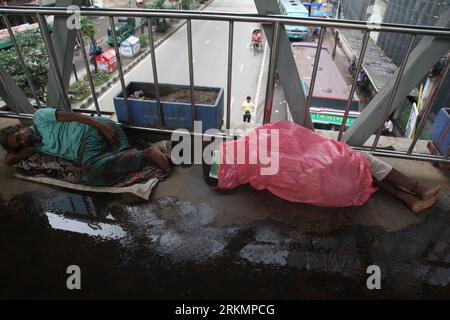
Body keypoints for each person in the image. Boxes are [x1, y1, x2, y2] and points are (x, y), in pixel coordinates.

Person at [203, 121, 440, 214]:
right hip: (329, 176)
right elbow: (295, 133)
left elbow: (218, 179)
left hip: (326, 191)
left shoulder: (252, 174)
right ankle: (417, 188)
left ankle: (411, 200)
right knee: (362, 161)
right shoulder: (256, 139)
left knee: (360, 170)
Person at [0, 107, 170, 186]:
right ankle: (141, 156)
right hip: (94, 150)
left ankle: (147, 154)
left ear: (18, 127)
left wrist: (103, 127)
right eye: (19, 144)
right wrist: (19, 147)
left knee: (90, 172)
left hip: (92, 131)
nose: (23, 140)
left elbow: (76, 116)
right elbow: (9, 160)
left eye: (18, 136)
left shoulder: (40, 118)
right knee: (96, 175)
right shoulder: (34, 147)